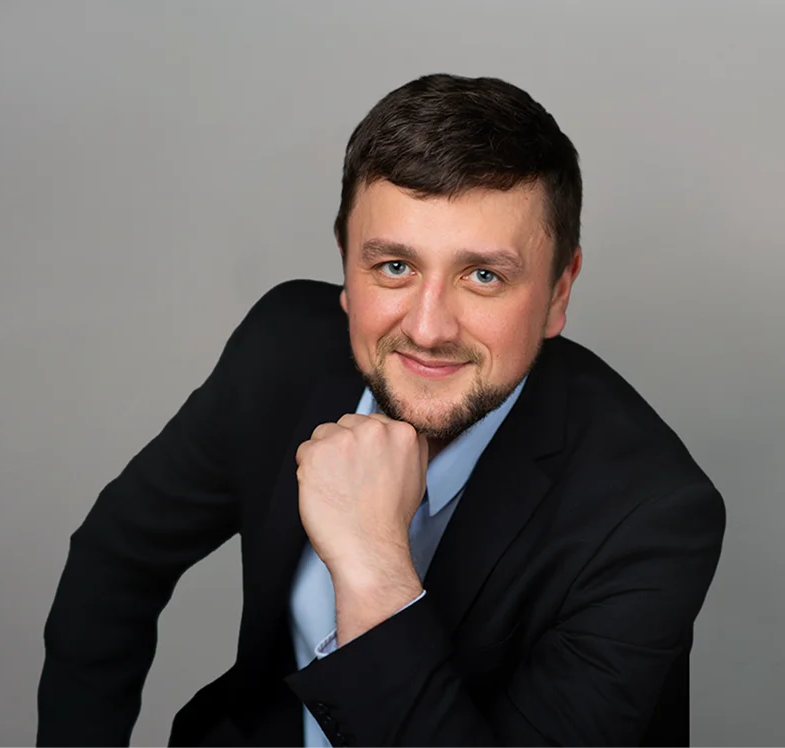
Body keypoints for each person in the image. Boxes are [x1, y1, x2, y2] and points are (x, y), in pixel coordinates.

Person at [37, 73, 725, 748]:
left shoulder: (651, 516)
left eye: (483, 276)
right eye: (395, 266)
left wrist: (373, 566)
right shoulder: (283, 349)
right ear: (346, 266)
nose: (427, 329)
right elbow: (117, 557)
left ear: (557, 292)